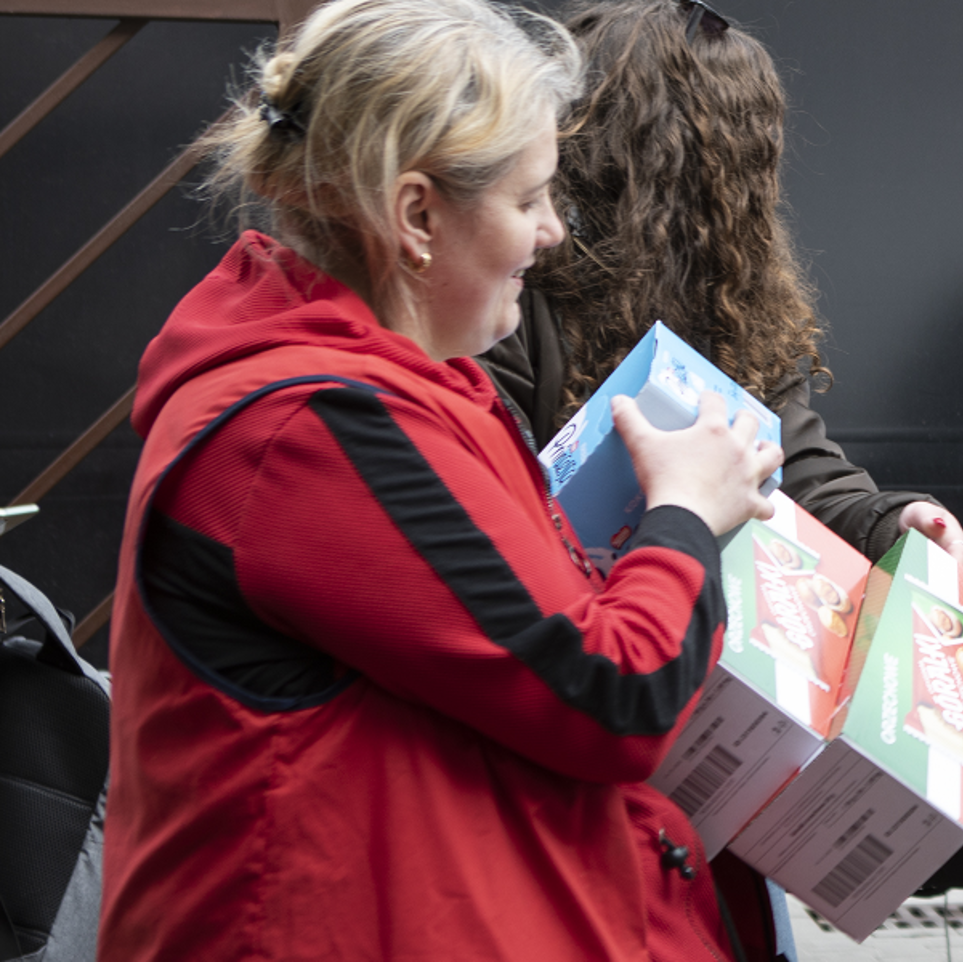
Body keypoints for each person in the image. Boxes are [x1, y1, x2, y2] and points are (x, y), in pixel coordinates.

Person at [98, 1, 780, 958]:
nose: (552, 234)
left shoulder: (394, 386)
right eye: (531, 198)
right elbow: (612, 694)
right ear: (416, 214)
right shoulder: (313, 427)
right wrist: (684, 516)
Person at [477, 0, 963, 566]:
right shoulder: (512, 287)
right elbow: (493, 502)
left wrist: (887, 522)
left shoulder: (733, 289)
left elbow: (791, 465)